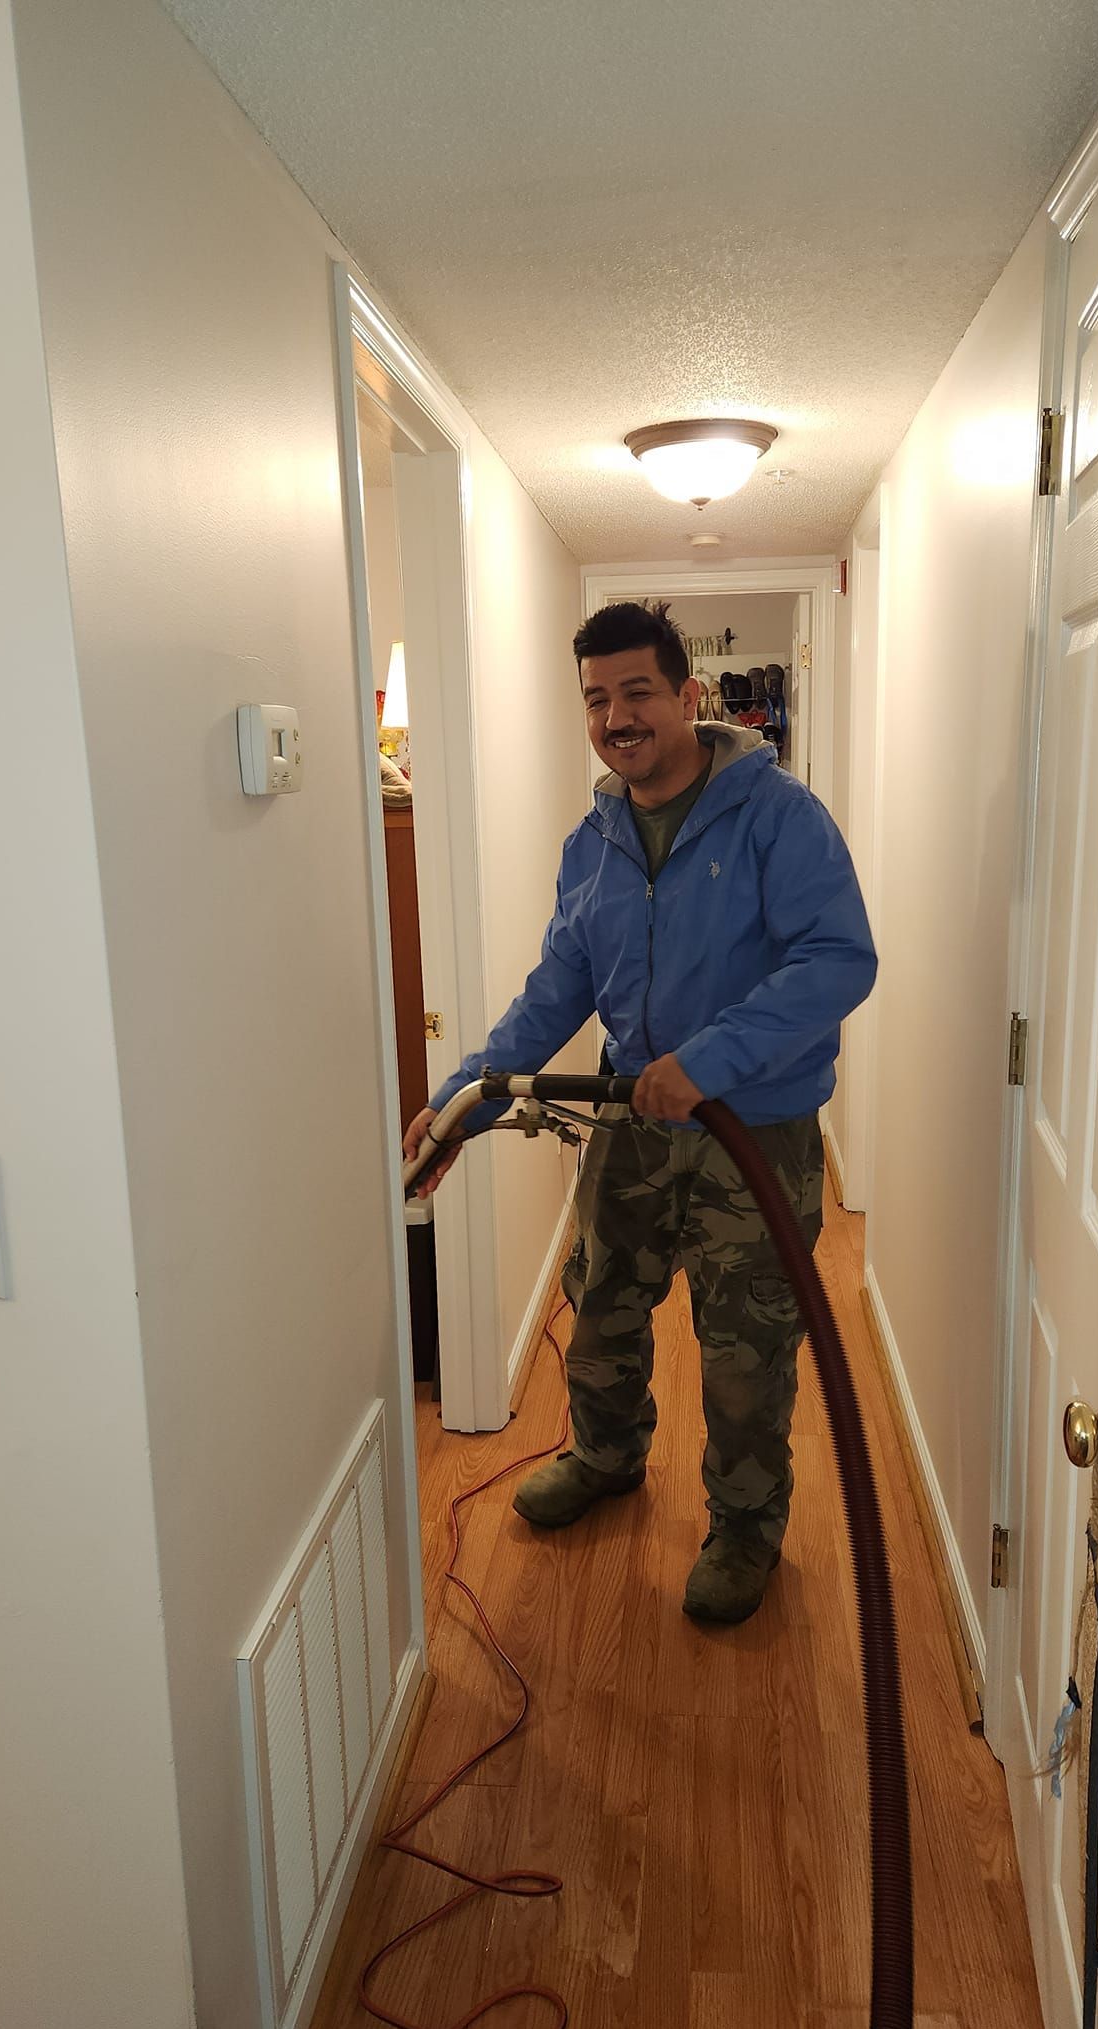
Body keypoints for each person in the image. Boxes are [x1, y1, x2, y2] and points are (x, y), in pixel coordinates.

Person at [403, 601, 877, 1624]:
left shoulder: (779, 817)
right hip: (630, 1118)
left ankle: (745, 1526)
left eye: (637, 692)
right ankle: (608, 1455)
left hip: (756, 1129)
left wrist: (706, 1061)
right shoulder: (595, 840)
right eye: (596, 698)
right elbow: (559, 984)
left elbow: (838, 960)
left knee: (745, 1344)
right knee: (604, 1301)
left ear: (689, 697)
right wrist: (464, 1100)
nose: (617, 716)